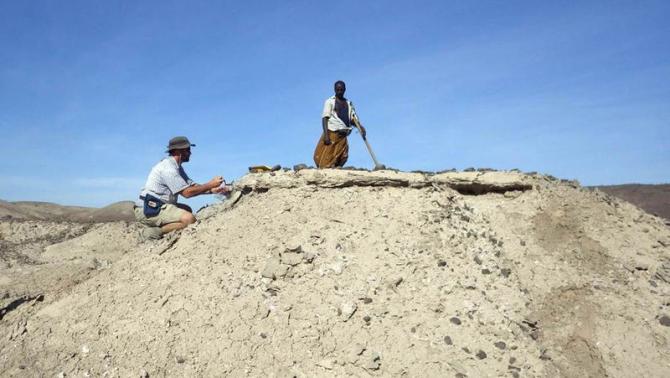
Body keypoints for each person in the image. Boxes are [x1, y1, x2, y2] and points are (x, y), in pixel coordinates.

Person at [134, 136, 229, 240]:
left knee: (187, 209)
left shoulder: (177, 167)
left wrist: (212, 190)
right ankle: (151, 232)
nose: (190, 153)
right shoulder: (168, 169)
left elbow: (192, 186)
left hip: (159, 205)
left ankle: (161, 227)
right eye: (188, 150)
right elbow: (187, 193)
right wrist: (210, 184)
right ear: (179, 151)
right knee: (189, 219)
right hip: (149, 208)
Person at [313, 80, 367, 168]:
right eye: (337, 90)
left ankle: (336, 169)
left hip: (343, 134)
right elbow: (325, 118)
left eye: (341, 90)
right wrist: (326, 135)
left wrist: (360, 127)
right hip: (332, 133)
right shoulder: (330, 101)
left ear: (345, 90)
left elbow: (352, 119)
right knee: (325, 157)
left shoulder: (349, 103)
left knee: (343, 157)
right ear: (334, 90)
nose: (339, 92)